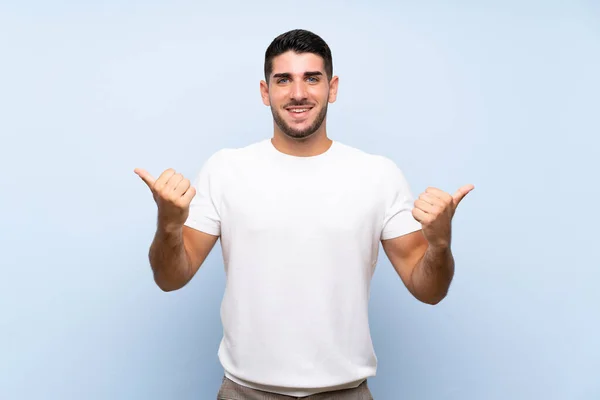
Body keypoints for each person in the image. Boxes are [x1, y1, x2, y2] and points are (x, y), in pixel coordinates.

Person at [134, 29, 473, 400]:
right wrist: (168, 224)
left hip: (345, 392)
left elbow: (429, 290)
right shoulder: (225, 169)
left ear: (333, 88)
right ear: (265, 92)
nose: (298, 93)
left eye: (312, 78)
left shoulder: (378, 175)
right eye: (284, 80)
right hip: (245, 392)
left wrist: (440, 244)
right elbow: (170, 278)